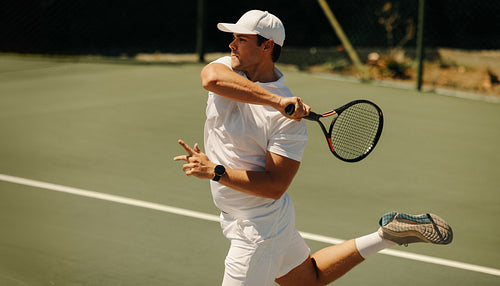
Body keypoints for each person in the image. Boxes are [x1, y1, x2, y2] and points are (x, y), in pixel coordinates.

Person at [174, 10, 453, 286]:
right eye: (233, 38)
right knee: (309, 278)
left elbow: (275, 186)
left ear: (267, 46)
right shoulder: (229, 69)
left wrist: (215, 171)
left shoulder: (290, 124)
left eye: (241, 39)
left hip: (259, 227)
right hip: (245, 216)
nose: (232, 45)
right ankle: (386, 236)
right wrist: (275, 102)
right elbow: (211, 79)